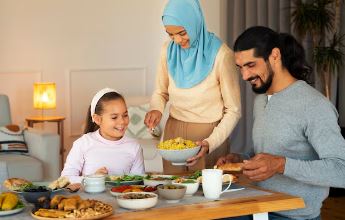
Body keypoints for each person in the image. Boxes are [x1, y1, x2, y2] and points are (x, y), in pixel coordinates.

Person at [217, 26, 345, 220]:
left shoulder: (315, 106)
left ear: (275, 56)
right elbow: (271, 150)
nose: (244, 76)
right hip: (258, 207)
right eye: (240, 68)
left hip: (293, 215)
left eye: (251, 65)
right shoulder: (261, 99)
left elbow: (341, 170)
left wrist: (281, 165)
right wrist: (241, 159)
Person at [144, 0, 241, 174]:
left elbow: (233, 110)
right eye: (170, 34)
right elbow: (160, 91)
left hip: (208, 135)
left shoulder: (222, 55)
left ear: (194, 22)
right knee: (172, 193)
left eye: (181, 32)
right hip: (174, 131)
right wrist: (156, 109)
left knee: (206, 196)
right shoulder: (168, 50)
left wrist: (210, 142)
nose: (177, 40)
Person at [61, 88, 145, 184]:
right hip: (90, 198)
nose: (122, 121)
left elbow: (139, 182)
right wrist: (92, 179)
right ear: (97, 119)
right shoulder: (83, 143)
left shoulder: (134, 147)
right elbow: (65, 179)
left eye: (125, 115)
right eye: (114, 117)